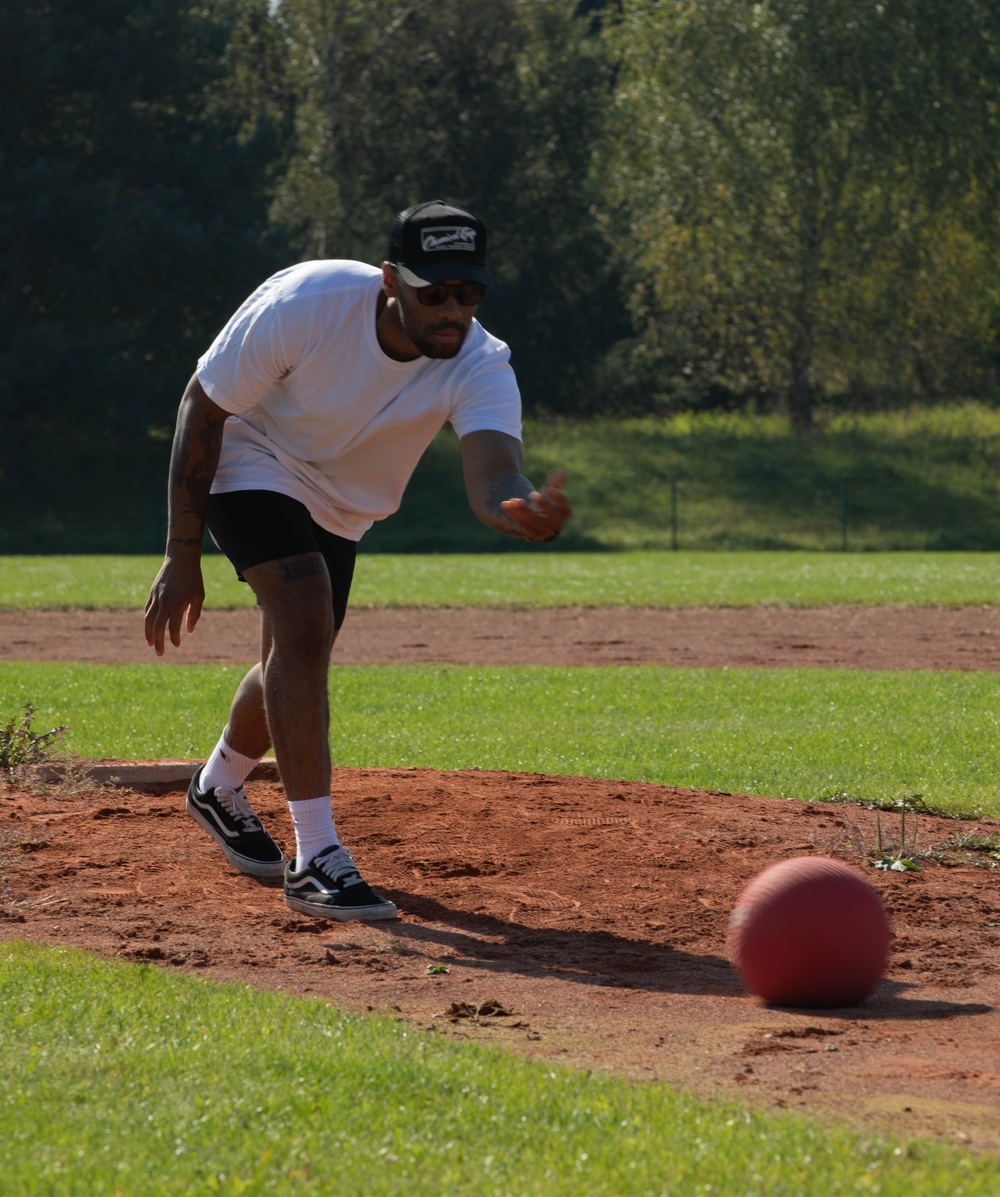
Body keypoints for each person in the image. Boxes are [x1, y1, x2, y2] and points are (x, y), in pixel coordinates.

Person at [143, 200, 570, 923]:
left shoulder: (480, 361)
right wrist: (182, 554)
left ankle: (217, 785)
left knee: (296, 654)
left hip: (343, 501)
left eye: (469, 293)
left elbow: (496, 475)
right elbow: (202, 406)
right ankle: (317, 859)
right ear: (389, 280)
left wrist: (518, 510)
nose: (452, 309)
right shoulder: (309, 303)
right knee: (305, 621)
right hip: (250, 454)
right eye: (433, 291)